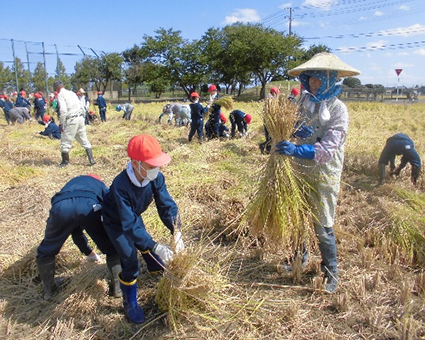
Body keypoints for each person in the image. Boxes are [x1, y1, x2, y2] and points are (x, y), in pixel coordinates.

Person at [275, 52, 361, 293]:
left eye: (318, 80)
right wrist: (292, 132)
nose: (313, 83)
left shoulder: (338, 109)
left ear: (331, 80)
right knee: (296, 216)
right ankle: (298, 258)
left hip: (324, 172)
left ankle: (330, 270)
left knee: (322, 222)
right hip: (299, 169)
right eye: (310, 79)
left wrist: (299, 149)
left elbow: (329, 148)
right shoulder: (302, 101)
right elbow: (291, 125)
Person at [102, 134, 184, 324]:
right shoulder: (121, 186)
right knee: (130, 259)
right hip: (116, 222)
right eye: (151, 165)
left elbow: (166, 205)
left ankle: (154, 264)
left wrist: (176, 229)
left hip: (132, 215)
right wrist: (157, 247)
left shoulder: (155, 178)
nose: (156, 169)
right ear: (136, 163)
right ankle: (130, 302)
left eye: (158, 164)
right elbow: (127, 224)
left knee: (143, 238)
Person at [36, 174, 123, 301]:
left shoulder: (72, 183)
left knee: (46, 251)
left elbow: (75, 231)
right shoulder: (99, 184)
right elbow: (110, 205)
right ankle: (118, 288)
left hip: (61, 208)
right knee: (112, 249)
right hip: (89, 206)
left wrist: (89, 253)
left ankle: (49, 290)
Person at [54, 81, 95, 167]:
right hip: (80, 118)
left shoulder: (60, 95)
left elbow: (63, 110)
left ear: (57, 88)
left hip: (71, 119)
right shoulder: (72, 93)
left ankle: (65, 162)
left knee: (65, 141)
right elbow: (81, 106)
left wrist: (62, 123)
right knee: (83, 139)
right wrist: (83, 117)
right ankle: (91, 159)